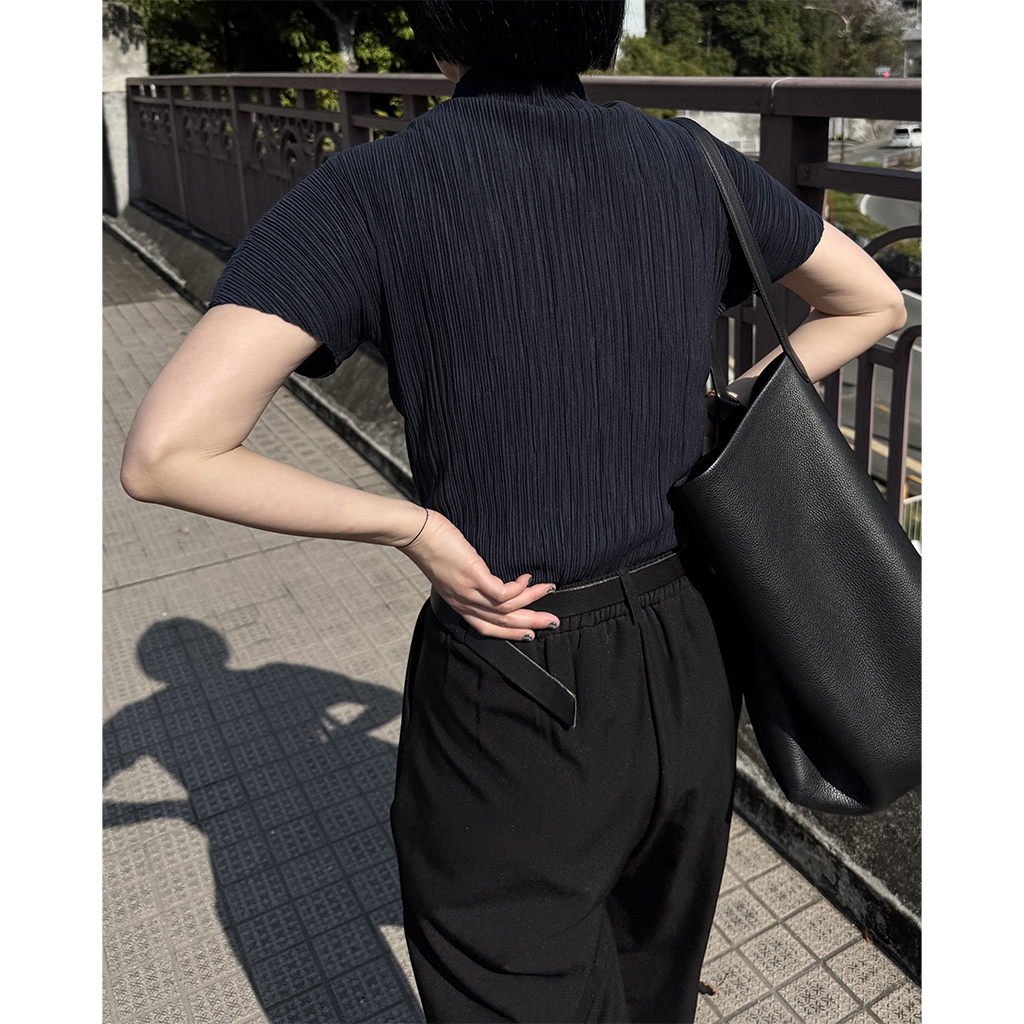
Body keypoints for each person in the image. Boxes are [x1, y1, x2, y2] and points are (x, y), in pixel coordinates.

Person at [120, 2, 907, 1020]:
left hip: (512, 655)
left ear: (438, 25)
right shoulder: (691, 163)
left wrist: (412, 527)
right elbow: (873, 302)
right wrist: (736, 408)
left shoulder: (371, 188)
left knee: (506, 985)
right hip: (690, 654)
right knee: (651, 975)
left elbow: (167, 453)